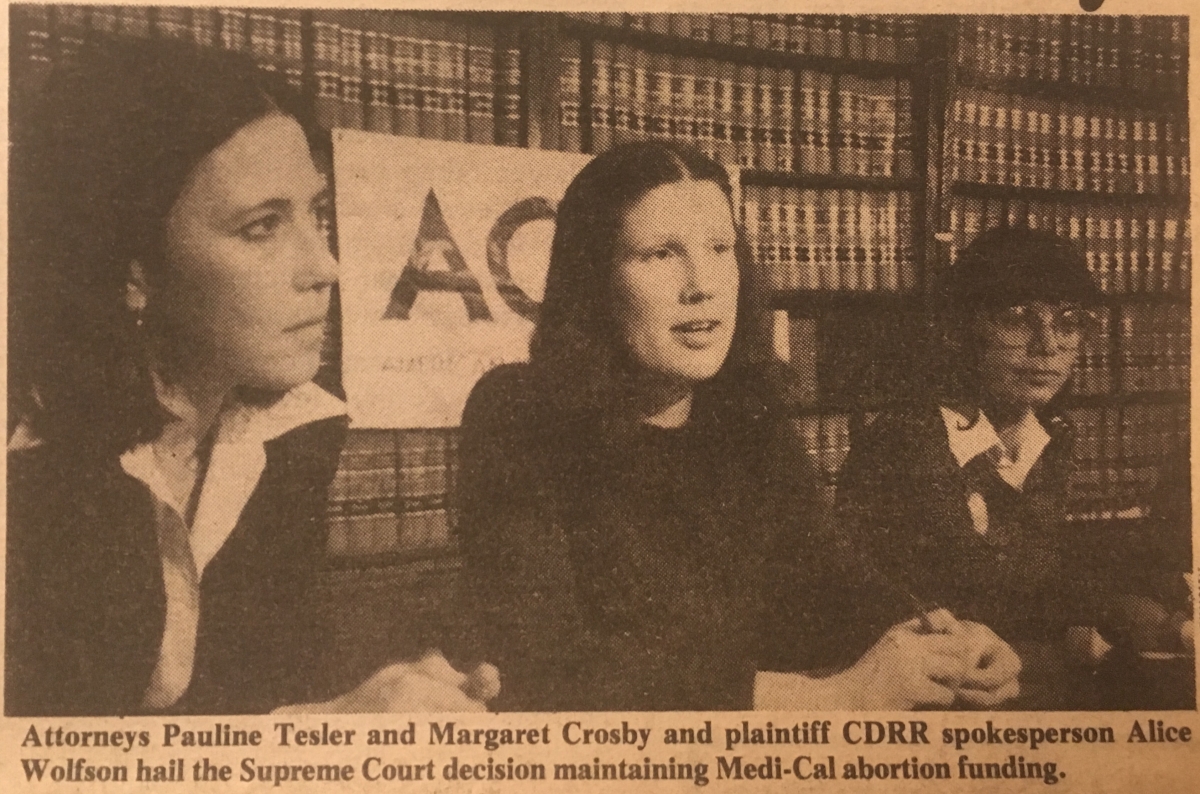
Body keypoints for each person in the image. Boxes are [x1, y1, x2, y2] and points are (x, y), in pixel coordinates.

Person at [6, 35, 496, 716]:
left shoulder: (296, 435)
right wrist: (332, 726)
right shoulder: (27, 465)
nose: (324, 267)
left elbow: (248, 709)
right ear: (133, 274)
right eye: (262, 227)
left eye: (316, 215)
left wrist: (371, 703)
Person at [455, 141, 1021, 711]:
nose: (702, 284)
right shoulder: (517, 412)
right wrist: (828, 697)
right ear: (594, 280)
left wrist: (941, 637)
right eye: (660, 255)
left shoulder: (746, 413)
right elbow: (544, 664)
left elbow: (828, 581)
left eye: (721, 249)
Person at [835, 226, 1192, 708]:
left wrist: (1135, 615)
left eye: (1067, 322)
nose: (1047, 345)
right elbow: (944, 602)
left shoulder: (1048, 440)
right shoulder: (909, 441)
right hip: (918, 696)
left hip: (1003, 678)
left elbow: (1034, 577)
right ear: (964, 330)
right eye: (1018, 319)